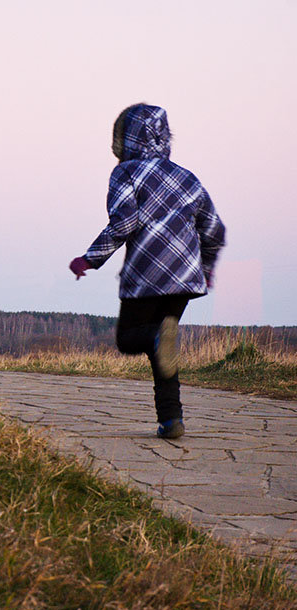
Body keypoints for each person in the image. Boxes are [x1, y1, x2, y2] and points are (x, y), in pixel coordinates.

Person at [70, 104, 226, 439]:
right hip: (185, 278)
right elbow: (213, 228)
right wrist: (208, 268)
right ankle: (171, 420)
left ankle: (158, 344)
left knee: (130, 338)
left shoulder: (126, 173)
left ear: (124, 138)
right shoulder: (187, 178)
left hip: (147, 276)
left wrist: (89, 258)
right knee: (162, 348)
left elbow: (125, 222)